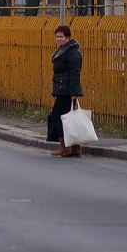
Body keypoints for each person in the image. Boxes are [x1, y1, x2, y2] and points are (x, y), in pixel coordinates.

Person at [49, 25, 84, 157]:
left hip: (67, 91)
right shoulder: (62, 51)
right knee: (68, 119)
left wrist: (74, 93)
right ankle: (75, 149)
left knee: (56, 116)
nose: (58, 39)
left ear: (68, 38)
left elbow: (75, 73)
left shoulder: (73, 53)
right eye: (57, 37)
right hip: (62, 88)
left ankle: (65, 146)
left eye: (61, 37)